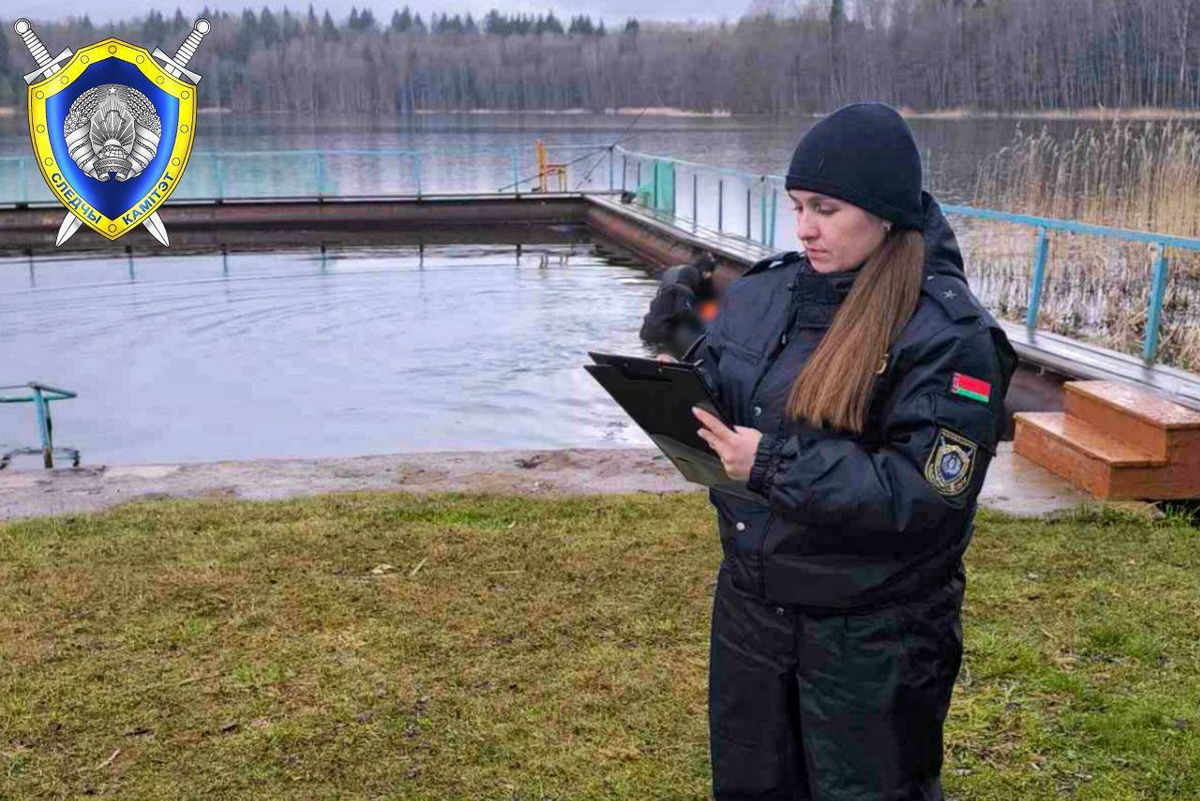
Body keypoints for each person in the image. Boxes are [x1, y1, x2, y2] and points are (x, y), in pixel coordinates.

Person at [686, 102, 1018, 800]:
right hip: (752, 612)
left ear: (884, 213)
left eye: (826, 209)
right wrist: (669, 388)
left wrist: (769, 463)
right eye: (798, 206)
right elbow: (720, 380)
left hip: (873, 635)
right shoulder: (765, 292)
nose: (805, 227)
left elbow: (926, 494)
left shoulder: (948, 335)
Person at [639, 252, 722, 360]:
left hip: (646, 331)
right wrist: (700, 326)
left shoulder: (667, 289)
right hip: (662, 334)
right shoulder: (685, 291)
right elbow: (683, 312)